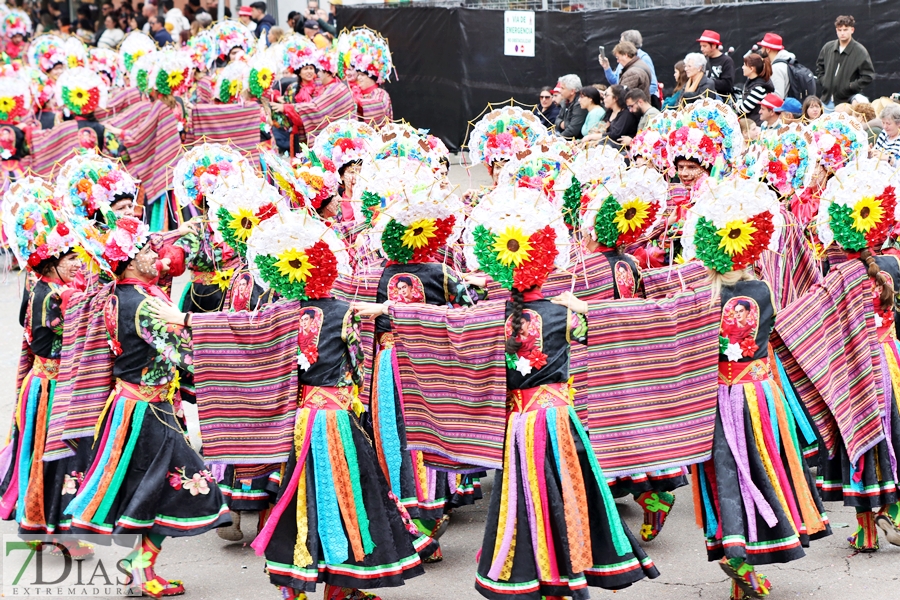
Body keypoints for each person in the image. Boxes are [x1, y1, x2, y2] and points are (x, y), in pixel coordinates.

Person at [815, 15, 875, 108]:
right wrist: (824, 81)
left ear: (852, 30)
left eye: (845, 29)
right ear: (836, 31)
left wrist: (850, 86)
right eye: (839, 30)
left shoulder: (859, 51)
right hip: (827, 100)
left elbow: (868, 76)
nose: (842, 33)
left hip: (847, 101)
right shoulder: (828, 47)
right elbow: (819, 67)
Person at [600, 29, 659, 102]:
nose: (619, 44)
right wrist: (606, 67)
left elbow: (653, 85)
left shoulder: (644, 58)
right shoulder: (624, 61)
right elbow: (617, 82)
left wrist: (638, 99)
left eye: (621, 42)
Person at [755, 33, 795, 100]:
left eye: (762, 47)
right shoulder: (787, 62)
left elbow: (777, 96)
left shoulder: (776, 68)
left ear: (768, 50)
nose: (761, 50)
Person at [739, 53, 774, 125]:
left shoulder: (759, 88)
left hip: (756, 126)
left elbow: (743, 110)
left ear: (751, 69)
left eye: (745, 65)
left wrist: (737, 106)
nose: (742, 67)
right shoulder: (751, 82)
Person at [697, 29, 734, 97]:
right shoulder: (703, 60)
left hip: (719, 101)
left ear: (714, 46)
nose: (701, 49)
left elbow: (727, 85)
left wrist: (706, 82)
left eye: (704, 46)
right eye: (701, 46)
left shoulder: (726, 60)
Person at [554, 73, 587, 139]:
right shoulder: (565, 101)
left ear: (572, 91)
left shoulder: (580, 104)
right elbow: (557, 120)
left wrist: (557, 139)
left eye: (562, 88)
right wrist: (565, 124)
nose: (560, 91)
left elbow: (573, 130)